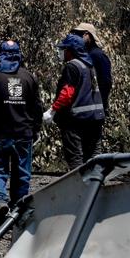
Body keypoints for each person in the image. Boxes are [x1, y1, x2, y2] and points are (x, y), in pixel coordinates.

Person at [0, 40, 43, 226]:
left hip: (0, 133)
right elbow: (37, 107)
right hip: (24, 133)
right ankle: (17, 210)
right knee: (22, 172)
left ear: (0, 55)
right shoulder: (29, 77)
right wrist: (36, 129)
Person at [44, 33, 105, 169]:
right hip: (95, 119)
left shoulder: (72, 66)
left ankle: (79, 188)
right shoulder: (90, 65)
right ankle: (96, 187)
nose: (60, 52)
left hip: (76, 121)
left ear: (71, 51)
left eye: (63, 49)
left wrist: (52, 110)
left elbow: (67, 93)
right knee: (94, 157)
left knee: (76, 159)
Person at [70, 22, 112, 124]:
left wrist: (97, 105)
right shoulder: (85, 55)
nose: (76, 37)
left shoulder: (98, 55)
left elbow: (106, 83)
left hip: (93, 114)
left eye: (79, 34)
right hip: (83, 113)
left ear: (87, 35)